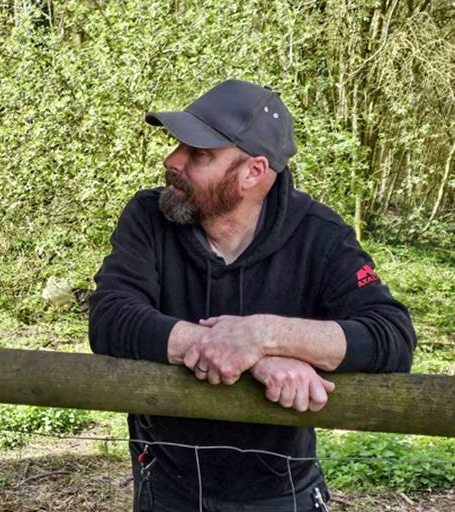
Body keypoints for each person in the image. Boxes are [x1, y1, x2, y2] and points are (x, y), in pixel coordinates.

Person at [88, 79, 416, 512]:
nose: (172, 161)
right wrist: (248, 355)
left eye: (199, 154)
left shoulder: (319, 235)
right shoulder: (149, 217)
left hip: (282, 489)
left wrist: (264, 335)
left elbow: (390, 336)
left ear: (254, 172)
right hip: (166, 483)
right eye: (178, 146)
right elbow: (111, 318)